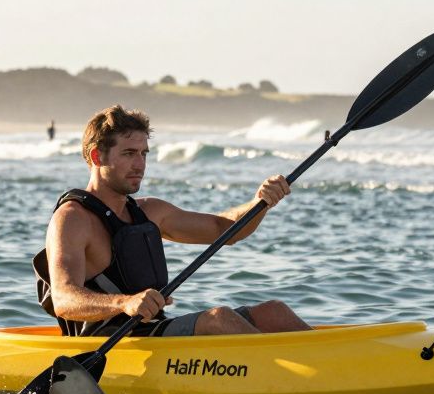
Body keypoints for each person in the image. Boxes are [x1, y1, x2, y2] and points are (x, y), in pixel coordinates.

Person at [33, 105, 311, 337]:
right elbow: (64, 299)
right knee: (218, 319)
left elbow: (224, 229)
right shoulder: (72, 219)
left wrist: (260, 202)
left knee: (275, 312)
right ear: (97, 156)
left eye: (144, 154)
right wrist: (125, 302)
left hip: (152, 331)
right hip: (109, 344)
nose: (140, 164)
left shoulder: (150, 211)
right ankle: (298, 380)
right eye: (129, 153)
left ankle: (331, 367)